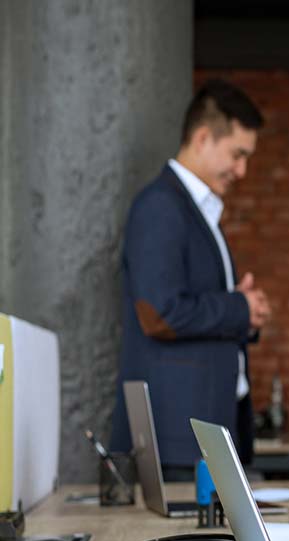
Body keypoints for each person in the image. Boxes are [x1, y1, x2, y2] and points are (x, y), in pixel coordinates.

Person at [109, 79, 272, 481]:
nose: (242, 170)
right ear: (202, 138)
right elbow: (158, 313)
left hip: (204, 433)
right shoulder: (160, 207)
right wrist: (238, 308)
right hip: (178, 439)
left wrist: (242, 310)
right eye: (237, 154)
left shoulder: (194, 210)